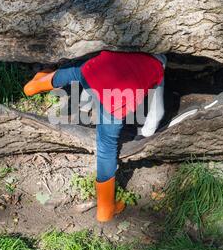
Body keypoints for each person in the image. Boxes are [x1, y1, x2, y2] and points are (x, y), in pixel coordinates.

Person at [24, 51, 166, 222]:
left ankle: (34, 86)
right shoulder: (158, 68)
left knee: (73, 72)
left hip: (94, 71)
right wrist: (146, 132)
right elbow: (157, 114)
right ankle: (105, 209)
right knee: (106, 147)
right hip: (116, 102)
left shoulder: (125, 46)